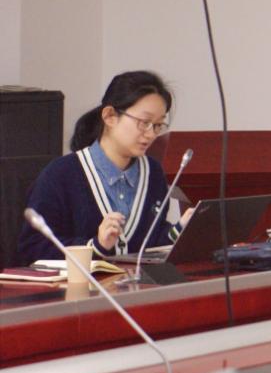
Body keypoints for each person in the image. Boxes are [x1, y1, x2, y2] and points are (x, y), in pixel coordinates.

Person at [16, 71, 192, 265]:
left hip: (138, 283)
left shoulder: (153, 172)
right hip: (83, 284)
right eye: (144, 123)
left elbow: (148, 244)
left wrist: (179, 229)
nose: (151, 134)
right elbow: (32, 248)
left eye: (158, 125)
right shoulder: (61, 174)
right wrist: (94, 246)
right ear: (109, 116)